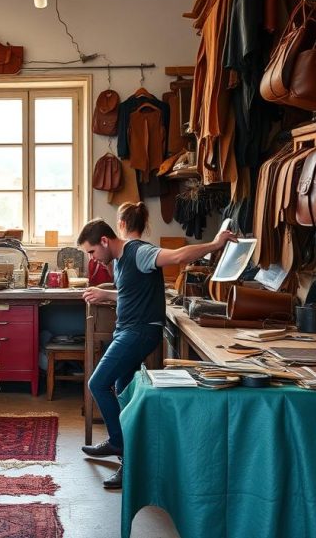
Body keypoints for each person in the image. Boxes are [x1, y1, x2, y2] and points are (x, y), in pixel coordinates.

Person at [77, 202, 236, 489]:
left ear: (104, 240)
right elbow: (131, 294)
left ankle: (119, 446)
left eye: (91, 252)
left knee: (97, 384)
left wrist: (214, 244)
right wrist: (106, 294)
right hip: (127, 330)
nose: (92, 259)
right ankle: (126, 454)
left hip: (139, 333)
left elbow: (177, 255)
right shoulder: (121, 260)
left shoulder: (139, 252)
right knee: (124, 396)